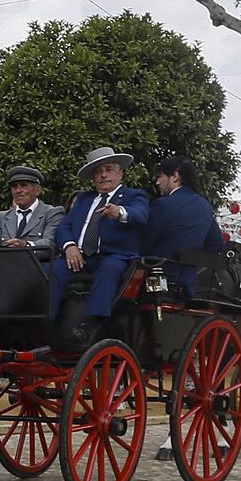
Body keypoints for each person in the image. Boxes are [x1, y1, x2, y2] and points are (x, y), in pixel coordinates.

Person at [50, 147, 149, 343]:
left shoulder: (134, 195)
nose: (103, 174)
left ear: (120, 173)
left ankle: (90, 323)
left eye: (109, 169)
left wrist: (120, 212)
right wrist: (69, 246)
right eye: (97, 171)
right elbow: (64, 227)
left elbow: (140, 214)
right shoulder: (84, 200)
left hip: (116, 256)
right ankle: (46, 322)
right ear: (92, 178)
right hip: (80, 257)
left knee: (110, 268)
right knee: (50, 269)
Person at [140, 156, 225, 297]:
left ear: (174, 176)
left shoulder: (163, 205)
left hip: (155, 283)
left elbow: (144, 244)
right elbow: (217, 246)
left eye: (160, 176)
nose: (157, 182)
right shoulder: (205, 206)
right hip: (188, 285)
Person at [0, 166, 64, 255]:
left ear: (38, 190)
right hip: (5, 266)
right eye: (14, 186)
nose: (18, 190)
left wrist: (26, 246)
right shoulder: (3, 217)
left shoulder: (52, 213)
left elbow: (51, 244)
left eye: (23, 185)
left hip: (37, 267)